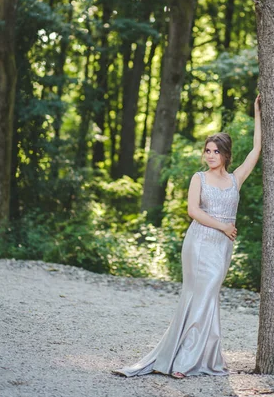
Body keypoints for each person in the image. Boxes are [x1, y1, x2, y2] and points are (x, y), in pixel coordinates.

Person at [112, 95, 262, 379]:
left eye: (215, 151)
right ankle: (183, 362)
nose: (210, 155)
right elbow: (193, 211)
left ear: (226, 155)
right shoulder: (199, 178)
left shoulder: (235, 179)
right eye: (207, 150)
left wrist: (257, 113)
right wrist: (223, 226)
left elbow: (256, 149)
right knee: (199, 295)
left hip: (221, 247)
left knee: (209, 297)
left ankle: (203, 356)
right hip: (199, 243)